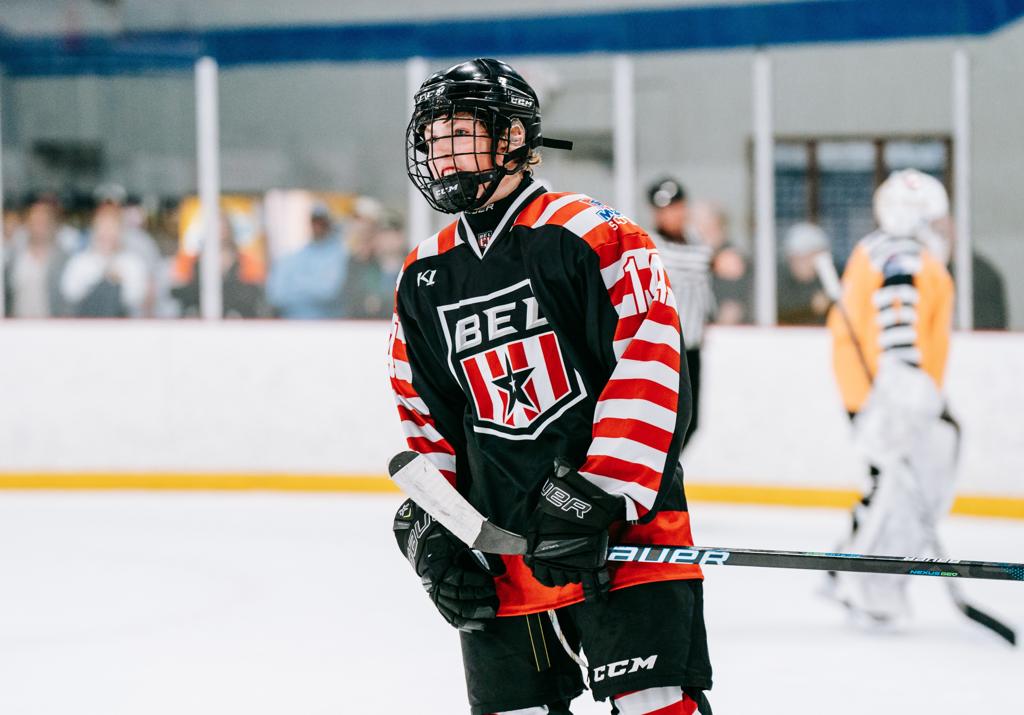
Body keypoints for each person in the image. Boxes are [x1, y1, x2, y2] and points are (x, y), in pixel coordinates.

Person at [387, 58, 712, 715]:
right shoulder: (423, 274)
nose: (440, 154)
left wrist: (600, 493)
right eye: (432, 138)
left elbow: (650, 363)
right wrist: (439, 523)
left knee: (655, 703)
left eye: (458, 132)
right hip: (504, 554)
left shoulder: (593, 234)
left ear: (512, 138)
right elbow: (427, 415)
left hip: (621, 538)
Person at [825, 169, 958, 623]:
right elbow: (898, 330)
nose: (947, 230)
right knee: (898, 488)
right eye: (939, 221)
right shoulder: (903, 256)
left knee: (891, 484)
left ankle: (851, 570)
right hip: (890, 391)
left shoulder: (889, 252)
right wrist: (905, 396)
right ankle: (865, 584)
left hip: (881, 388)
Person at [646, 177, 714, 448]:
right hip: (666, 349)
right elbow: (688, 263)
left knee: (691, 423)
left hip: (692, 347)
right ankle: (656, 482)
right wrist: (717, 253)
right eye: (663, 210)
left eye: (675, 207)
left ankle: (661, 481)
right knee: (667, 422)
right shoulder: (653, 244)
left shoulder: (694, 239)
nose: (670, 215)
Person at [60, 203, 149, 317]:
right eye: (103, 227)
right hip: (86, 327)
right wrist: (99, 278)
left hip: (122, 328)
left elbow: (137, 297)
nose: (107, 233)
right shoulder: (80, 262)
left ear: (121, 231)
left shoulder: (133, 263)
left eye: (113, 227)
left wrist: (117, 280)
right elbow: (70, 293)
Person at [266, 202, 347, 319]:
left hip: (327, 325)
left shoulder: (338, 253)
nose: (318, 227)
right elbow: (276, 294)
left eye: (322, 223)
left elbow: (329, 291)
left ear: (329, 224)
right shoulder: (297, 254)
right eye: (314, 222)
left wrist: (295, 282)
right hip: (292, 323)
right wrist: (312, 284)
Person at [777, 222, 831, 326]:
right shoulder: (780, 282)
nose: (805, 262)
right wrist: (810, 304)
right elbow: (780, 308)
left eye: (810, 256)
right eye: (799, 258)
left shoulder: (829, 279)